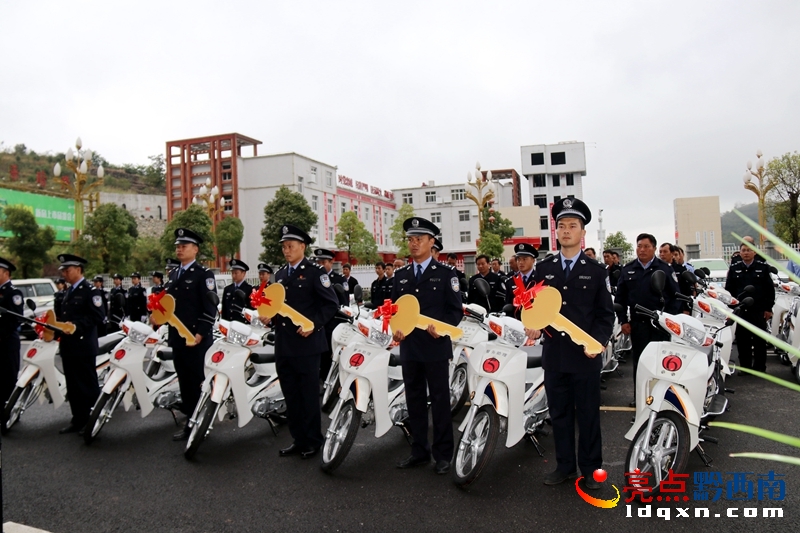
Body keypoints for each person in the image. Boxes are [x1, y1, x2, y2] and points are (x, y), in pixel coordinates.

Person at [526, 198, 614, 489]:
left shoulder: (596, 271)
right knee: (559, 414)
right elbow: (533, 308)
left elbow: (605, 316)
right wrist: (533, 327)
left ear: (582, 232)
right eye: (561, 225)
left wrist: (597, 343)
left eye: (572, 226)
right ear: (556, 232)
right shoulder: (543, 269)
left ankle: (590, 469)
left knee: (588, 415)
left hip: (585, 358)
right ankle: (564, 466)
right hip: (555, 356)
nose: (566, 230)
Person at [391, 217, 462, 474]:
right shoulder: (401, 275)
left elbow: (455, 311)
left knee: (441, 401)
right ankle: (419, 451)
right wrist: (394, 331)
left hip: (434, 347)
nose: (414, 244)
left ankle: (443, 455)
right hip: (410, 347)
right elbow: (395, 310)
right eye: (410, 239)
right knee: (415, 401)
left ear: (432, 243)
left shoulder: (445, 274)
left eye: (419, 239)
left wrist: (441, 328)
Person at [274, 225, 339, 459]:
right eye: (284, 246)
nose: (286, 250)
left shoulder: (315, 273)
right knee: (291, 395)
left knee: (309, 395)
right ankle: (298, 439)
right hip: (284, 344)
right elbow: (277, 308)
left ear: (303, 246)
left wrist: (313, 324)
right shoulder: (280, 275)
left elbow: (331, 304)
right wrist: (267, 315)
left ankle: (313, 440)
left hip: (307, 345)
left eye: (290, 245)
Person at [163, 228, 218, 441]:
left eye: (183, 246)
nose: (179, 249)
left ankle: (201, 424)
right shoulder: (174, 274)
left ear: (195, 249)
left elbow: (210, 308)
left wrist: (201, 333)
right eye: (177, 246)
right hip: (178, 337)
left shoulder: (204, 275)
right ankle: (190, 423)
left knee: (198, 382)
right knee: (184, 382)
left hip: (196, 339)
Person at [615, 233, 681, 405]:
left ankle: (660, 400)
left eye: (646, 246)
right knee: (640, 363)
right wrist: (623, 320)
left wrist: (670, 320)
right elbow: (620, 299)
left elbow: (675, 297)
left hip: (660, 325)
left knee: (661, 364)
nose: (641, 250)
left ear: (653, 248)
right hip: (638, 325)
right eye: (639, 246)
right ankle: (641, 399)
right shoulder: (628, 269)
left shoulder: (664, 269)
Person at [54, 254, 105, 434]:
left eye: (67, 270)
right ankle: (78, 419)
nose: (65, 274)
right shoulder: (68, 291)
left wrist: (76, 326)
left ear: (78, 269)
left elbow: (98, 316)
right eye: (63, 270)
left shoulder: (90, 291)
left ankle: (92, 421)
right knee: (74, 386)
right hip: (69, 346)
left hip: (83, 346)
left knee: (87, 386)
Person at [725, 240, 775, 373]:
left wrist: (768, 308)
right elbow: (729, 289)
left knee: (759, 339)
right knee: (742, 340)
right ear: (740, 253)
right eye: (743, 250)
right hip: (741, 310)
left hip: (758, 309)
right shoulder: (734, 268)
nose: (746, 253)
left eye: (749, 250)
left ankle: (760, 367)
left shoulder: (763, 267)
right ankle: (746, 368)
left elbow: (769, 290)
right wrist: (731, 308)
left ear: (754, 252)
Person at [313, 249, 348, 380]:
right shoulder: (313, 277)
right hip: (316, 322)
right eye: (319, 262)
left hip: (332, 324)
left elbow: (344, 305)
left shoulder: (339, 279)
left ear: (331, 262)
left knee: (330, 355)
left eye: (324, 262)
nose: (321, 265)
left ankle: (330, 381)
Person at [0, 257, 24, 430]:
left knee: (7, 379)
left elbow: (14, 319)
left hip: (7, 342)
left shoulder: (13, 293)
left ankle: (7, 415)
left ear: (6, 273)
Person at [659, 242, 693, 311]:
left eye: (665, 252)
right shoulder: (656, 269)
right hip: (661, 309)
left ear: (672, 254)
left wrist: (686, 309)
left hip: (678, 308)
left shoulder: (681, 270)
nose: (662, 254)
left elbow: (687, 292)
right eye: (660, 252)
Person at [505, 243, 538, 309]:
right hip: (516, 318)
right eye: (518, 259)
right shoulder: (511, 281)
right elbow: (508, 305)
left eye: (524, 259)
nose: (521, 262)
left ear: (533, 261)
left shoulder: (539, 279)